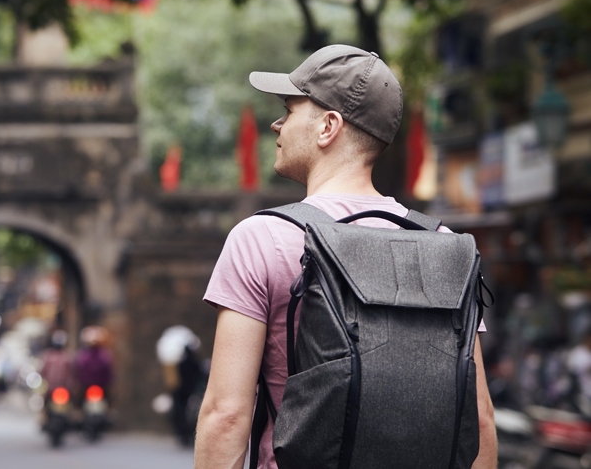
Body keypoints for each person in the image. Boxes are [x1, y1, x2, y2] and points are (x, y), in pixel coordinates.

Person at [193, 45, 497, 469]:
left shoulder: (263, 237)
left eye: (290, 109)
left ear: (328, 126)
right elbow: (479, 419)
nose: (276, 123)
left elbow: (226, 416)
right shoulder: (445, 245)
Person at [74, 326, 113, 398]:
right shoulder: (83, 355)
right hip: (86, 387)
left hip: (101, 388)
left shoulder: (104, 354)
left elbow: (109, 372)